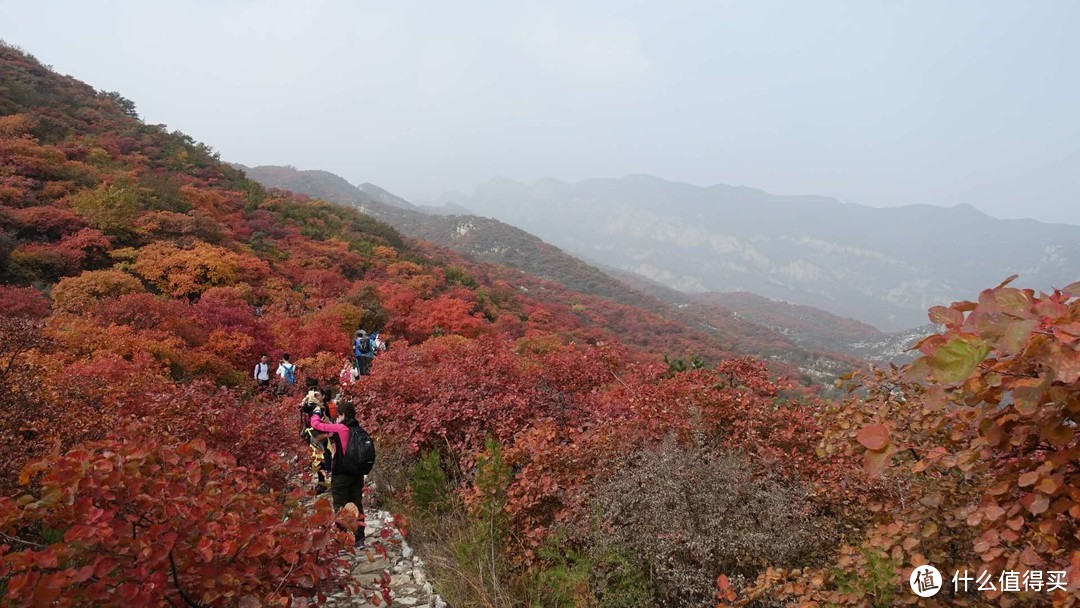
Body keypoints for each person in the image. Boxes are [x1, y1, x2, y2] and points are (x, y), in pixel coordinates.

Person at [309, 402, 370, 547]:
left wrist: (316, 413)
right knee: (356, 504)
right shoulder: (359, 430)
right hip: (357, 474)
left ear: (342, 415)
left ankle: (342, 540)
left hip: (341, 474)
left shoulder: (341, 428)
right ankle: (360, 538)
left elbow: (316, 426)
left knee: (340, 506)